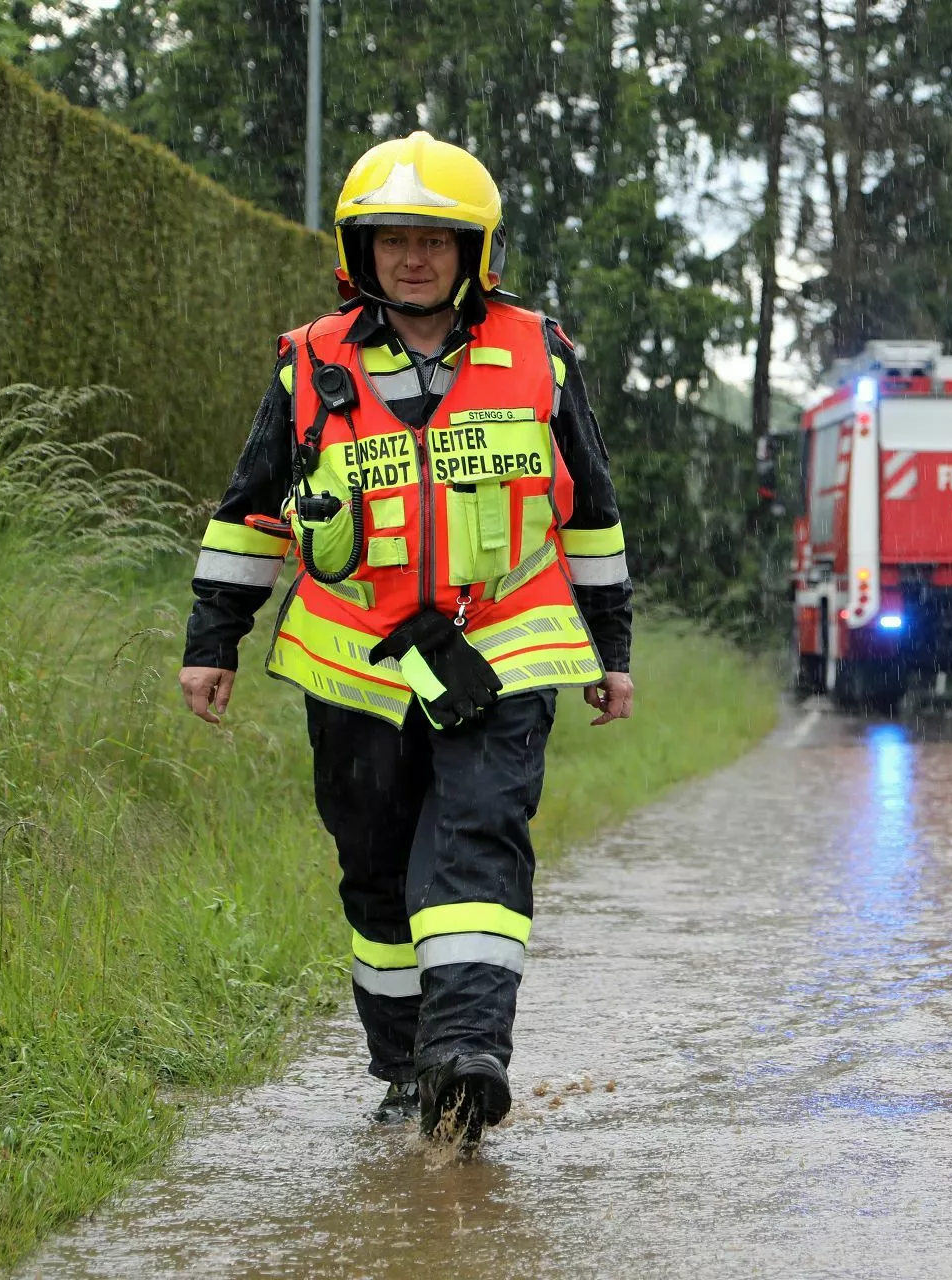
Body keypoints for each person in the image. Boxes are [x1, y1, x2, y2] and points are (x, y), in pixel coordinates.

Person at [175, 132, 635, 1151]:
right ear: (361, 251)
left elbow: (591, 515)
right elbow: (251, 514)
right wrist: (213, 640)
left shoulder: (540, 355)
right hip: (354, 660)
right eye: (394, 240)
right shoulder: (307, 365)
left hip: (504, 645)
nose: (414, 259)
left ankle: (467, 1056)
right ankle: (401, 1062)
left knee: (477, 834)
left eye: (436, 240)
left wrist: (613, 650)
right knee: (376, 868)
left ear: (473, 254)